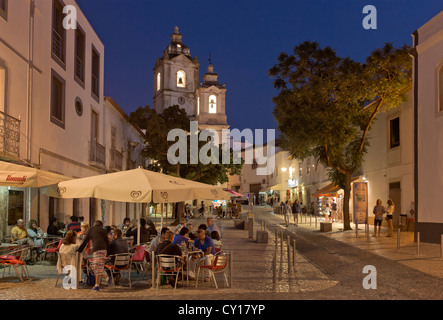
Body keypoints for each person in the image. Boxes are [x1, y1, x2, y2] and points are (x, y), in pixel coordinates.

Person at [77, 220, 109, 291]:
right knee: (99, 266)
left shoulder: (91, 229)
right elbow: (107, 241)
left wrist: (79, 250)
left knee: (97, 267)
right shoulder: (103, 230)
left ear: (94, 224)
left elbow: (86, 240)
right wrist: (108, 252)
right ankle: (106, 279)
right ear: (101, 225)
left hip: (97, 249)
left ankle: (97, 285)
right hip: (104, 250)